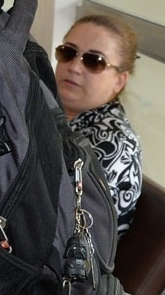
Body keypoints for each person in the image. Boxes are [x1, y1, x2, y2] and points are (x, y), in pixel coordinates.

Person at [55, 13, 142, 235]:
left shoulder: (113, 144)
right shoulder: (46, 108)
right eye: (68, 52)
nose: (75, 67)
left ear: (119, 81)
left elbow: (63, 228)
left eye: (94, 61)